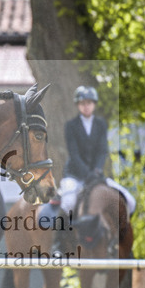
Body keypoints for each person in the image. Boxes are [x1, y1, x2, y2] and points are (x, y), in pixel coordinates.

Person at [57, 86, 135, 216]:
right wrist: (87, 173)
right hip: (75, 175)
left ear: (94, 104)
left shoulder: (101, 124)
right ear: (78, 105)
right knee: (68, 203)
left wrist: (97, 170)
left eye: (89, 103)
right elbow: (74, 154)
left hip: (96, 175)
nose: (86, 106)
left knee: (130, 201)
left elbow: (102, 151)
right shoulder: (71, 126)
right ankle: (63, 236)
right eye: (82, 103)